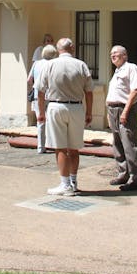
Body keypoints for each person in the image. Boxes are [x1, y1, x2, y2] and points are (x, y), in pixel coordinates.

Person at [37, 37, 93, 196]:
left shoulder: (50, 65)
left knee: (60, 147)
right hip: (76, 107)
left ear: (57, 49)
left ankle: (65, 183)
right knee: (74, 148)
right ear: (72, 48)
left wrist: (41, 112)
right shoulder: (81, 65)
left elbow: (40, 91)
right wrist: (89, 112)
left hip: (56, 105)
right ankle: (73, 181)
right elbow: (89, 91)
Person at [106, 45, 137, 191]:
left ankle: (135, 178)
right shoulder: (116, 72)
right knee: (117, 144)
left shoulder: (131, 68)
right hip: (113, 110)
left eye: (116, 53)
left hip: (123, 109)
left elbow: (135, 90)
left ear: (124, 55)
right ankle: (123, 173)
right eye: (111, 54)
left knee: (129, 144)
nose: (113, 56)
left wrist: (126, 111)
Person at [27, 44, 57, 153]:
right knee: (51, 121)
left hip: (37, 95)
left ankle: (40, 147)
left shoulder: (36, 64)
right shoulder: (54, 64)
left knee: (40, 121)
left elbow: (29, 80)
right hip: (50, 96)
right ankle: (52, 144)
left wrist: (32, 89)